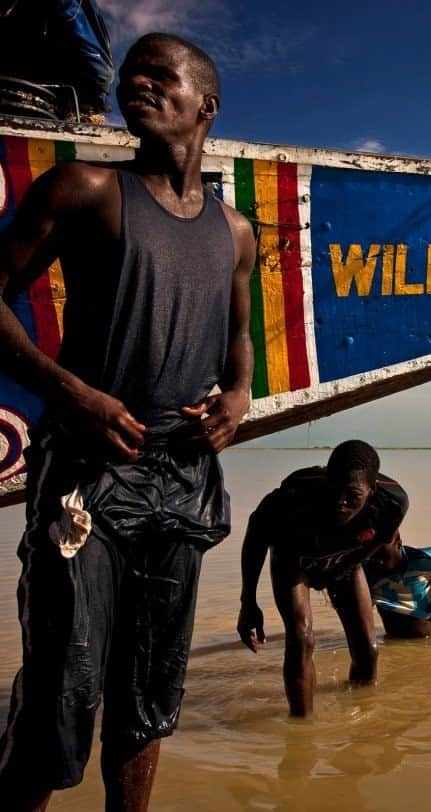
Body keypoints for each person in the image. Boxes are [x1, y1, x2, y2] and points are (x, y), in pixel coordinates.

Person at [0, 32, 255, 811]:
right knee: (58, 694)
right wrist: (72, 393)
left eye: (159, 73)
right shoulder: (83, 190)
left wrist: (239, 396)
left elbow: (239, 338)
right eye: (130, 73)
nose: (135, 82)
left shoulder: (236, 231)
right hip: (86, 476)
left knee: (149, 700)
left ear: (205, 105)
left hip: (182, 481)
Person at [238, 440, 408, 717]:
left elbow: (381, 540)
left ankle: (362, 715)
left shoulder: (392, 502)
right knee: (302, 638)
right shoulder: (291, 498)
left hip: (345, 560)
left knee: (368, 650)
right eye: (335, 489)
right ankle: (301, 726)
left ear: (371, 492)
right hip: (294, 560)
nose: (340, 502)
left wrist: (340, 569)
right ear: (327, 479)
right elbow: (255, 538)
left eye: (352, 496)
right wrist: (248, 603)